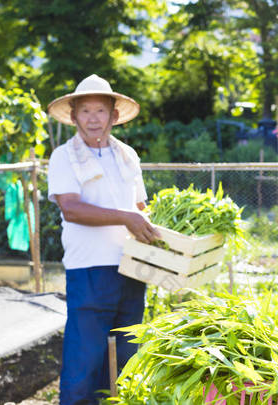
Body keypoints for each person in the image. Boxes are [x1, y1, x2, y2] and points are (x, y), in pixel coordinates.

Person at [47, 74, 160, 404]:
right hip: (89, 269)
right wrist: (125, 217)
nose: (93, 119)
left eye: (100, 111)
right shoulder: (63, 156)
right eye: (85, 111)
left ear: (114, 115)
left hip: (130, 268)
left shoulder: (127, 155)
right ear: (73, 116)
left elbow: (140, 207)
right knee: (85, 361)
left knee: (126, 359)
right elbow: (71, 208)